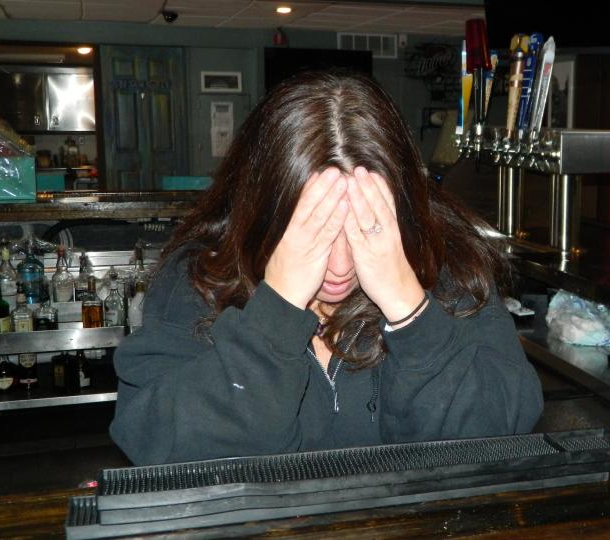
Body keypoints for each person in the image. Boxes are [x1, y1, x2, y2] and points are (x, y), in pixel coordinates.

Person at [110, 71, 544, 465]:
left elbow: (494, 445)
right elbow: (160, 447)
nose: (337, 267)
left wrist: (409, 308)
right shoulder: (198, 276)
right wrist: (275, 313)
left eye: (364, 228)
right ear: (262, 211)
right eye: (313, 230)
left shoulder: (454, 269)